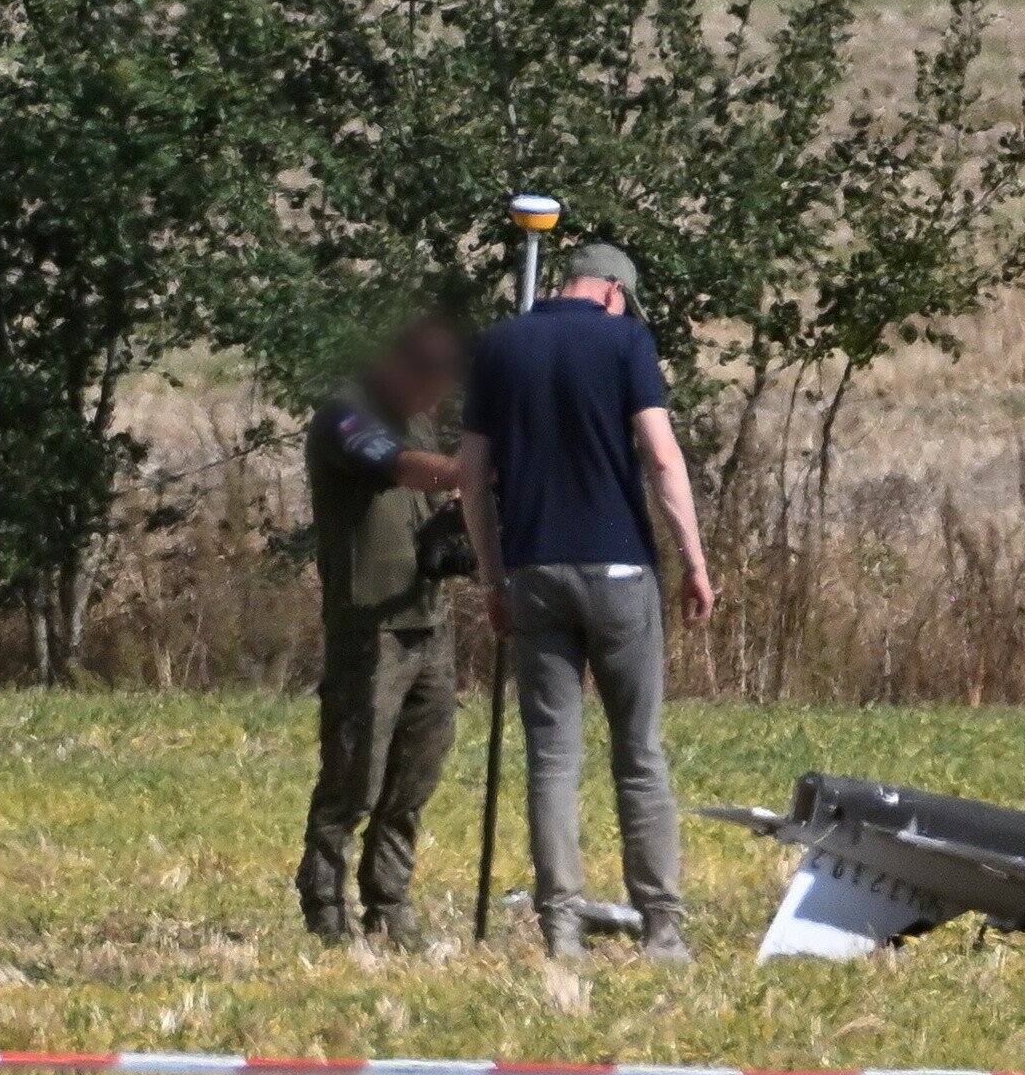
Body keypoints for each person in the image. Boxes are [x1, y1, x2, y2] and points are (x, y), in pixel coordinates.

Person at [458, 242, 716, 962]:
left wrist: (492, 578)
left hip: (534, 569)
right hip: (621, 573)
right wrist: (694, 562)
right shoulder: (627, 339)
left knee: (553, 760)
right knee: (638, 753)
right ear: (611, 292)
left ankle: (561, 929)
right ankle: (661, 926)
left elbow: (471, 480)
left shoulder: (500, 346)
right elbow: (662, 459)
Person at [299, 313, 471, 945]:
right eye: (430, 381)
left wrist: (455, 526)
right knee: (355, 775)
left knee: (416, 775)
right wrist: (465, 472)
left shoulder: (418, 419)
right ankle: (325, 905)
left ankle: (390, 904)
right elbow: (396, 465)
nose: (437, 396)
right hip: (369, 627)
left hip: (427, 620)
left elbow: (426, 495)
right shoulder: (345, 415)